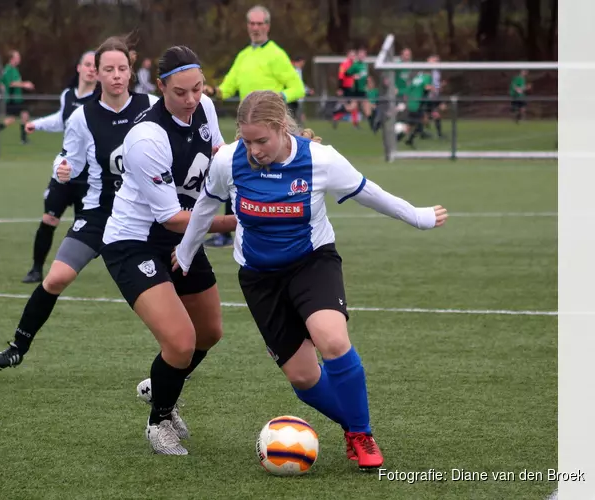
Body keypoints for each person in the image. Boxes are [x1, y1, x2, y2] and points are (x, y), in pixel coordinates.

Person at [173, 90, 448, 469]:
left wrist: (417, 216)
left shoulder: (321, 160)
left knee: (332, 339)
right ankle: (353, 424)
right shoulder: (227, 160)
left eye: (262, 141)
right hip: (259, 278)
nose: (254, 150)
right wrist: (186, 252)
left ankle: (361, 435)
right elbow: (205, 205)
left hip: (311, 264)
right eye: (247, 140)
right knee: (303, 378)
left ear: (282, 128)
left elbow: (370, 194)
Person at [0, 37, 158, 369]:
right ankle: (17, 346)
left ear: (130, 71)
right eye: (108, 69)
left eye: (122, 68)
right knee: (55, 279)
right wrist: (61, 169)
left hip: (142, 216)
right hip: (98, 214)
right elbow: (70, 159)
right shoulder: (83, 117)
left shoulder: (152, 106)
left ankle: (178, 357)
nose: (116, 76)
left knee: (159, 289)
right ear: (96, 72)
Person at [100, 45, 235, 456]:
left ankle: (160, 386)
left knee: (209, 333)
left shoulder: (205, 108)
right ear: (161, 87)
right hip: (134, 241)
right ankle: (158, 420)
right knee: (180, 341)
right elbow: (172, 218)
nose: (192, 99)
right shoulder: (146, 138)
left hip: (181, 235)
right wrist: (239, 221)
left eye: (198, 88)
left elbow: (223, 160)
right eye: (180, 92)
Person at [203, 4, 305, 249]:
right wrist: (213, 91)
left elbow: (298, 89)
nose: (256, 28)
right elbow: (228, 88)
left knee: (277, 177)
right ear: (248, 27)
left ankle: (286, 225)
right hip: (247, 129)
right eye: (252, 24)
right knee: (232, 171)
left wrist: (272, 101)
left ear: (267, 26)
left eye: (260, 24)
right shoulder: (243, 56)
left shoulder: (276, 55)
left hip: (270, 130)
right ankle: (227, 233)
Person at [18, 51, 102, 284]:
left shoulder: (101, 99)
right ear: (79, 68)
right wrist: (37, 124)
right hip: (65, 171)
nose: (91, 69)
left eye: (95, 65)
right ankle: (36, 269)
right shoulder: (67, 95)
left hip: (90, 176)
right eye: (87, 64)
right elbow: (61, 120)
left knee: (86, 227)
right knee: (49, 219)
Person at [0, 50, 34, 145]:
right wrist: (25, 84)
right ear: (12, 59)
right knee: (11, 120)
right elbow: (11, 83)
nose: (19, 59)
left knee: (23, 116)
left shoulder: (14, 69)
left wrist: (2, 85)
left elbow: (2, 81)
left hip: (17, 98)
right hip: (12, 99)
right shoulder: (8, 69)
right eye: (17, 57)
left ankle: (23, 140)